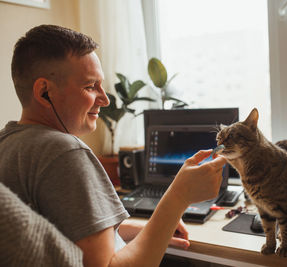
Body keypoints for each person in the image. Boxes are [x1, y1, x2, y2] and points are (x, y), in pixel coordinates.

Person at [0, 24, 227, 266]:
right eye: (90, 86)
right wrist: (179, 196)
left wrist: (157, 226)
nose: (105, 99)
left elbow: (70, 237)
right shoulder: (63, 151)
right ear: (44, 91)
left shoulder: (9, 143)